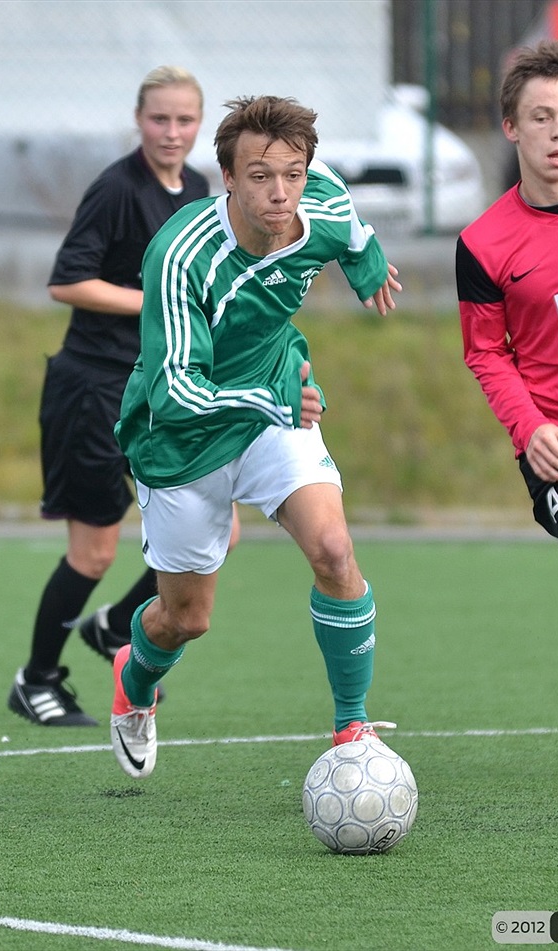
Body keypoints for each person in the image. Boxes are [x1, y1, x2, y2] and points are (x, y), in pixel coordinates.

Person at [108, 94, 403, 778]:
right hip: (179, 439)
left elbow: (354, 231)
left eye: (293, 174)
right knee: (185, 619)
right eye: (261, 176)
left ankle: (351, 729)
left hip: (274, 405)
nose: (279, 192)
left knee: (333, 549)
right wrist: (270, 399)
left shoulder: (318, 202)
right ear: (229, 178)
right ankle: (135, 677)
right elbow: (176, 390)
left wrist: (366, 270)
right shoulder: (181, 253)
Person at [8, 66, 240, 727]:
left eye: (184, 120)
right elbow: (67, 281)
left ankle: (116, 627)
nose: (172, 132)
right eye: (159, 119)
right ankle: (37, 680)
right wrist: (155, 304)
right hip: (93, 386)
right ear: (138, 120)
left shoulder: (196, 187)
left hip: (159, 391)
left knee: (218, 530)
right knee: (96, 551)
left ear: (200, 126)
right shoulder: (115, 189)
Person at [456, 40, 558, 663]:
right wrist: (530, 428)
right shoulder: (482, 244)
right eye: (541, 117)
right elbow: (485, 354)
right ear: (511, 127)